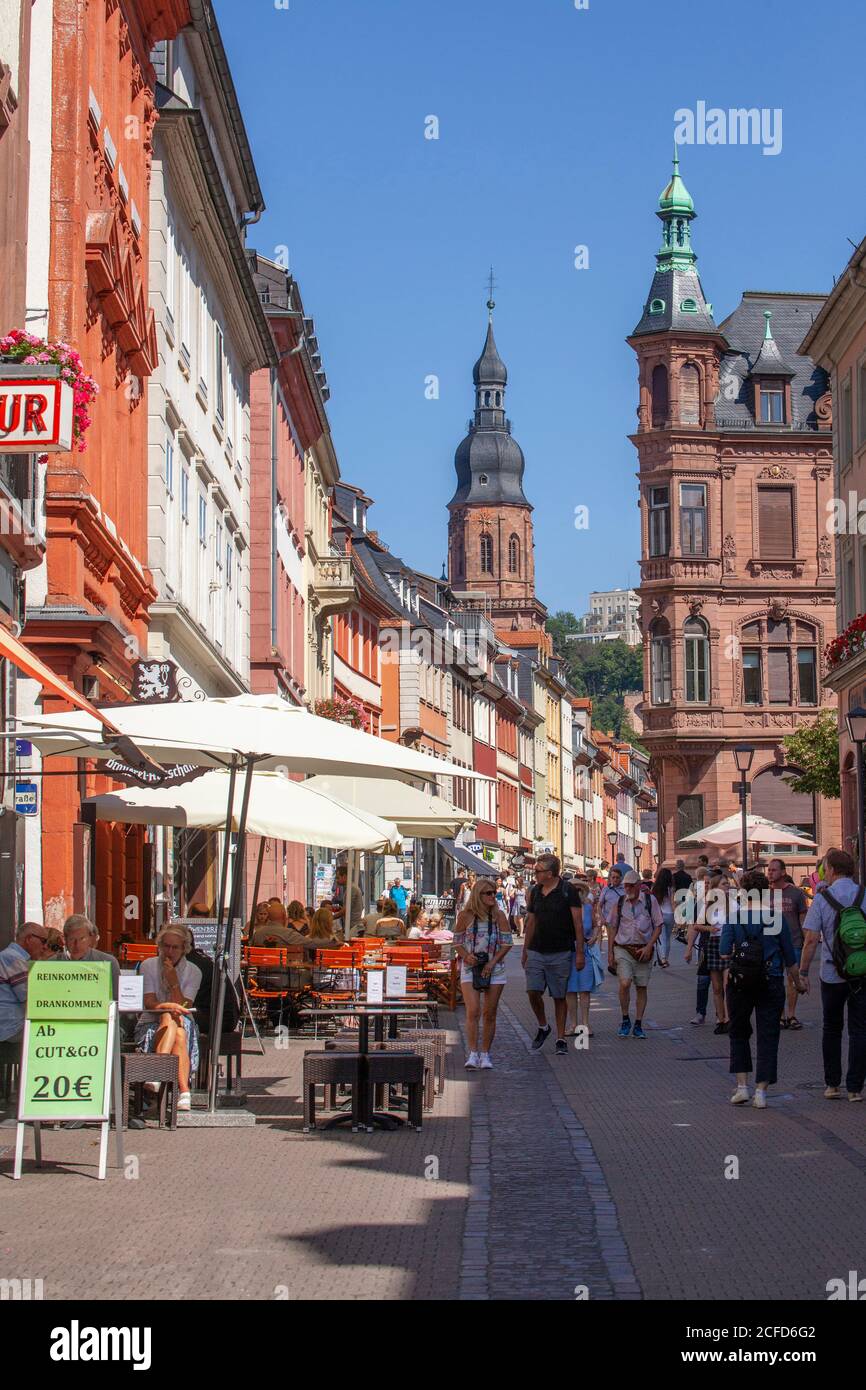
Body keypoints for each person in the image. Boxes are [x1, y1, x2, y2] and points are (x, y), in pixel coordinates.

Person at [720, 869, 805, 1108]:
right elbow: (790, 957)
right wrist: (798, 983)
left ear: (744, 893)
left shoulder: (734, 918)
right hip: (771, 980)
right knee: (768, 1035)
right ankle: (761, 1091)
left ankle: (742, 1087)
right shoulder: (775, 918)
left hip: (740, 982)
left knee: (738, 1032)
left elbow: (724, 950)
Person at [800, 847, 866, 1101]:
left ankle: (832, 1085)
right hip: (860, 972)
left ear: (832, 870)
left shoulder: (822, 899)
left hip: (831, 972)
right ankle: (855, 1088)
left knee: (832, 1028)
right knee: (859, 1030)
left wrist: (803, 972)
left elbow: (811, 939)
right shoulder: (863, 894)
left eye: (826, 867)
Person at [134, 924, 201, 1111]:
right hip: (150, 1024)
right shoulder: (148, 965)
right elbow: (149, 1003)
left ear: (184, 949)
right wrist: (169, 1006)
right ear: (160, 946)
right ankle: (184, 1092)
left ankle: (156, 1073)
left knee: (175, 1023)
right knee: (172, 1024)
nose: (169, 952)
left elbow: (185, 1007)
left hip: (183, 1022)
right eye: (166, 946)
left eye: (175, 947)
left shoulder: (194, 971)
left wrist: (173, 983)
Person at [523, 853, 585, 1056]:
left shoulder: (568, 891)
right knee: (533, 991)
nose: (535, 875)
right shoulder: (535, 891)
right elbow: (530, 922)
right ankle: (543, 1026)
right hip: (536, 950)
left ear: (550, 873)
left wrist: (579, 953)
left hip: (561, 951)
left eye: (538, 871)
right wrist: (525, 949)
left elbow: (578, 924)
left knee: (559, 996)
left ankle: (560, 1038)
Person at [454, 878, 513, 1069]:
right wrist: (465, 955)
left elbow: (507, 942)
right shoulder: (465, 915)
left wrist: (493, 962)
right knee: (473, 1010)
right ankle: (472, 1053)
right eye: (488, 893)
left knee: (490, 1012)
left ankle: (485, 1053)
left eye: (494, 893)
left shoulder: (499, 916)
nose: (492, 896)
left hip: (494, 968)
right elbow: (456, 941)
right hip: (471, 967)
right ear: (478, 895)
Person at [607, 871, 662, 1039]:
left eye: (631, 885)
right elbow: (612, 927)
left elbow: (658, 925)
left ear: (639, 885)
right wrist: (610, 952)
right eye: (625, 885)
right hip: (623, 948)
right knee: (625, 982)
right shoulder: (620, 902)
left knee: (641, 986)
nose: (627, 888)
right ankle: (625, 1019)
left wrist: (649, 947)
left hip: (644, 949)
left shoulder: (649, 901)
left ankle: (638, 1023)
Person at [766, 857, 808, 1031]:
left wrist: (806, 943)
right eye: (768, 870)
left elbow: (803, 919)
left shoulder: (796, 893)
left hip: (794, 942)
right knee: (775, 981)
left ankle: (791, 1015)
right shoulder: (764, 894)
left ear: (783, 872)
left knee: (792, 979)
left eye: (773, 870)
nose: (770, 873)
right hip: (773, 944)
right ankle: (780, 1015)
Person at [686, 869, 729, 1035]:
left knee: (727, 984)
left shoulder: (733, 903)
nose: (728, 887)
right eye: (724, 884)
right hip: (712, 944)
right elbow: (696, 926)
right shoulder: (707, 904)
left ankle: (729, 1019)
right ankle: (720, 1018)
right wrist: (709, 928)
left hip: (728, 944)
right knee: (716, 987)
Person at [0, 922, 51, 1045]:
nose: (45, 947)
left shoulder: (10, 956)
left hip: (9, 1026)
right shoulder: (14, 958)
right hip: (10, 1028)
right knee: (53, 1033)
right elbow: (32, 997)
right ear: (29, 939)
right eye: (43, 941)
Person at [565, 883, 604, 1038]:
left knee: (585, 989)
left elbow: (596, 925)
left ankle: (585, 1024)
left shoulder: (588, 907)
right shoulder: (565, 908)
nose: (577, 893)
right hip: (568, 950)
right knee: (570, 989)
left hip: (586, 951)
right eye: (574, 890)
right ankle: (573, 1024)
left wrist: (594, 937)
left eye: (580, 890)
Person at [61, 914, 120, 998]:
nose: (77, 945)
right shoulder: (50, 963)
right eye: (72, 939)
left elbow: (116, 1000)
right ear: (64, 939)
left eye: (82, 939)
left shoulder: (108, 962)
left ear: (91, 938)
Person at [652, 868, 675, 968]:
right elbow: (672, 902)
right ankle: (665, 958)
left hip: (660, 914)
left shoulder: (655, 887)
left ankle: (663, 958)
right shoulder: (671, 888)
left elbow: (654, 903)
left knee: (661, 938)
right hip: (670, 914)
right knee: (668, 937)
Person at [332, 865, 364, 937]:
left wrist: (331, 917)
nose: (336, 880)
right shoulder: (350, 888)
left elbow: (346, 910)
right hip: (352, 926)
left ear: (345, 876)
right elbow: (347, 908)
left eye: (338, 877)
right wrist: (337, 907)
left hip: (353, 927)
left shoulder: (351, 889)